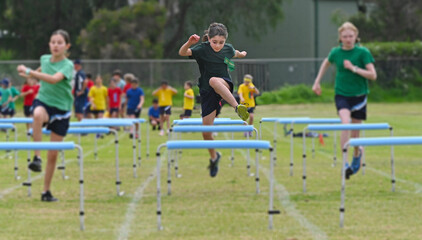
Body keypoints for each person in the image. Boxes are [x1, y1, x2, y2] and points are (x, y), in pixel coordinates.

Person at [178, 22, 248, 177]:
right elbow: (182, 52)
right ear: (208, 38)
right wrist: (189, 42)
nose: (218, 46)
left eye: (221, 42)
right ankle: (214, 157)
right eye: (214, 42)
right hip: (207, 92)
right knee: (206, 132)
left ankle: (238, 107)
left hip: (224, 85)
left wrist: (242, 54)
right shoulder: (202, 49)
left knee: (214, 80)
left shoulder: (227, 48)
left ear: (225, 41)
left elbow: (235, 53)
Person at [312, 22, 377, 180]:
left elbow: (373, 75)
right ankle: (345, 163)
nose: (348, 39)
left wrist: (354, 68)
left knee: (355, 134)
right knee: (345, 123)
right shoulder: (336, 52)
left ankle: (356, 154)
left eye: (351, 36)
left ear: (356, 37)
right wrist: (317, 81)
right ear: (340, 38)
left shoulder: (362, 52)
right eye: (345, 36)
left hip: (359, 96)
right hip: (341, 94)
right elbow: (325, 64)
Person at [16, 29, 74, 202]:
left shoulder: (68, 65)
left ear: (67, 46)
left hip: (62, 109)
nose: (55, 45)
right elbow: (41, 70)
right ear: (49, 44)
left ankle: (46, 191)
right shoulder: (44, 58)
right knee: (37, 114)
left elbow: (53, 79)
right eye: (53, 42)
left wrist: (30, 72)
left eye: (59, 43)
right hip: (44, 102)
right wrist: (27, 73)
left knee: (54, 154)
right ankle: (37, 157)